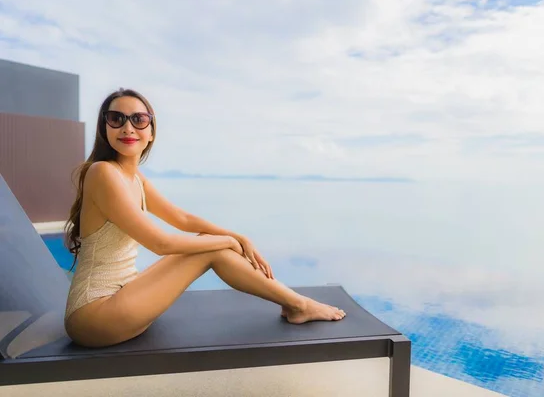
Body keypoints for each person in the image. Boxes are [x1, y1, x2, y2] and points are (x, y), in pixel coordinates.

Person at [63, 88, 346, 348]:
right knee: (211, 251)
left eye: (138, 119)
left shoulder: (133, 178)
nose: (127, 127)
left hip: (121, 302)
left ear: (151, 132)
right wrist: (225, 242)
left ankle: (295, 303)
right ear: (105, 128)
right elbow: (160, 244)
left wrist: (237, 236)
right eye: (116, 118)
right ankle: (297, 305)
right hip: (94, 316)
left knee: (211, 244)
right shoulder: (102, 173)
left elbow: (182, 218)